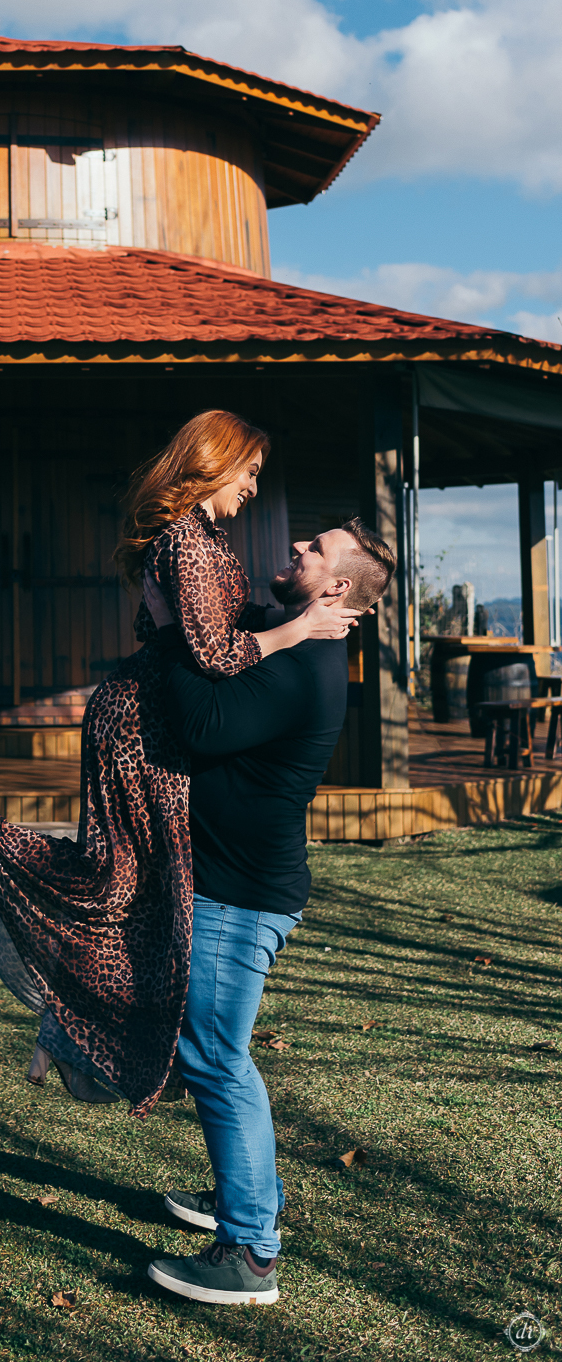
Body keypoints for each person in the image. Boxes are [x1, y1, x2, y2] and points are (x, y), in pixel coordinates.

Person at [0, 411, 357, 1118]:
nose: (251, 486)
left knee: (127, 886)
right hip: (139, 728)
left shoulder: (203, 539)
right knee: (114, 882)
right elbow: (210, 656)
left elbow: (216, 636)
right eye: (247, 471)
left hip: (148, 720)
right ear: (213, 464)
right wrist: (297, 629)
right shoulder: (185, 542)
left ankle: (71, 1035)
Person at [143, 518, 396, 1307]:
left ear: (337, 588)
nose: (295, 548)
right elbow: (222, 637)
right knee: (212, 1056)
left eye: (313, 550)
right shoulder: (288, 635)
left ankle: (250, 1253)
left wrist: (160, 631)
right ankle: (245, 1196)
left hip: (239, 898)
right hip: (227, 885)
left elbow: (202, 723)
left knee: (217, 1060)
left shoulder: (311, 661)